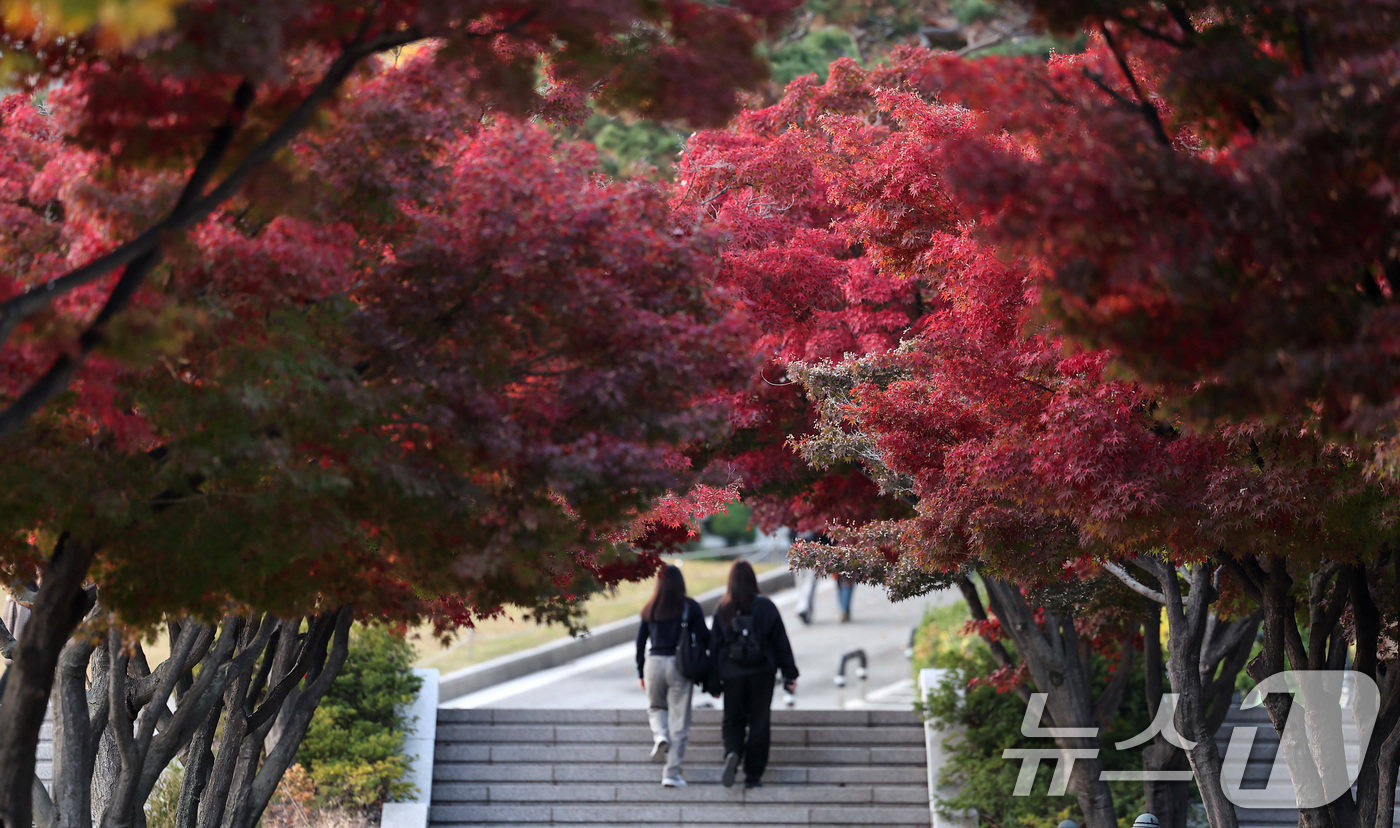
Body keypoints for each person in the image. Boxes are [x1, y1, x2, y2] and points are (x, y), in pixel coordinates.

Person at [707, 560, 798, 789]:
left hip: (732, 674)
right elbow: (780, 641)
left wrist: (714, 682)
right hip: (762, 673)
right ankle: (753, 775)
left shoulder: (723, 609)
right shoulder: (766, 606)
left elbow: (715, 647)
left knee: (733, 719)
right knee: (759, 722)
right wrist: (789, 674)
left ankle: (733, 752)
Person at [636, 564, 707, 788]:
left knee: (656, 708)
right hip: (679, 666)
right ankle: (671, 773)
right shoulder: (690, 607)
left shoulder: (650, 608)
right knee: (680, 722)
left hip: (653, 663)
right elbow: (705, 638)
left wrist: (640, 671)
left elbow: (639, 644)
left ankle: (660, 735)